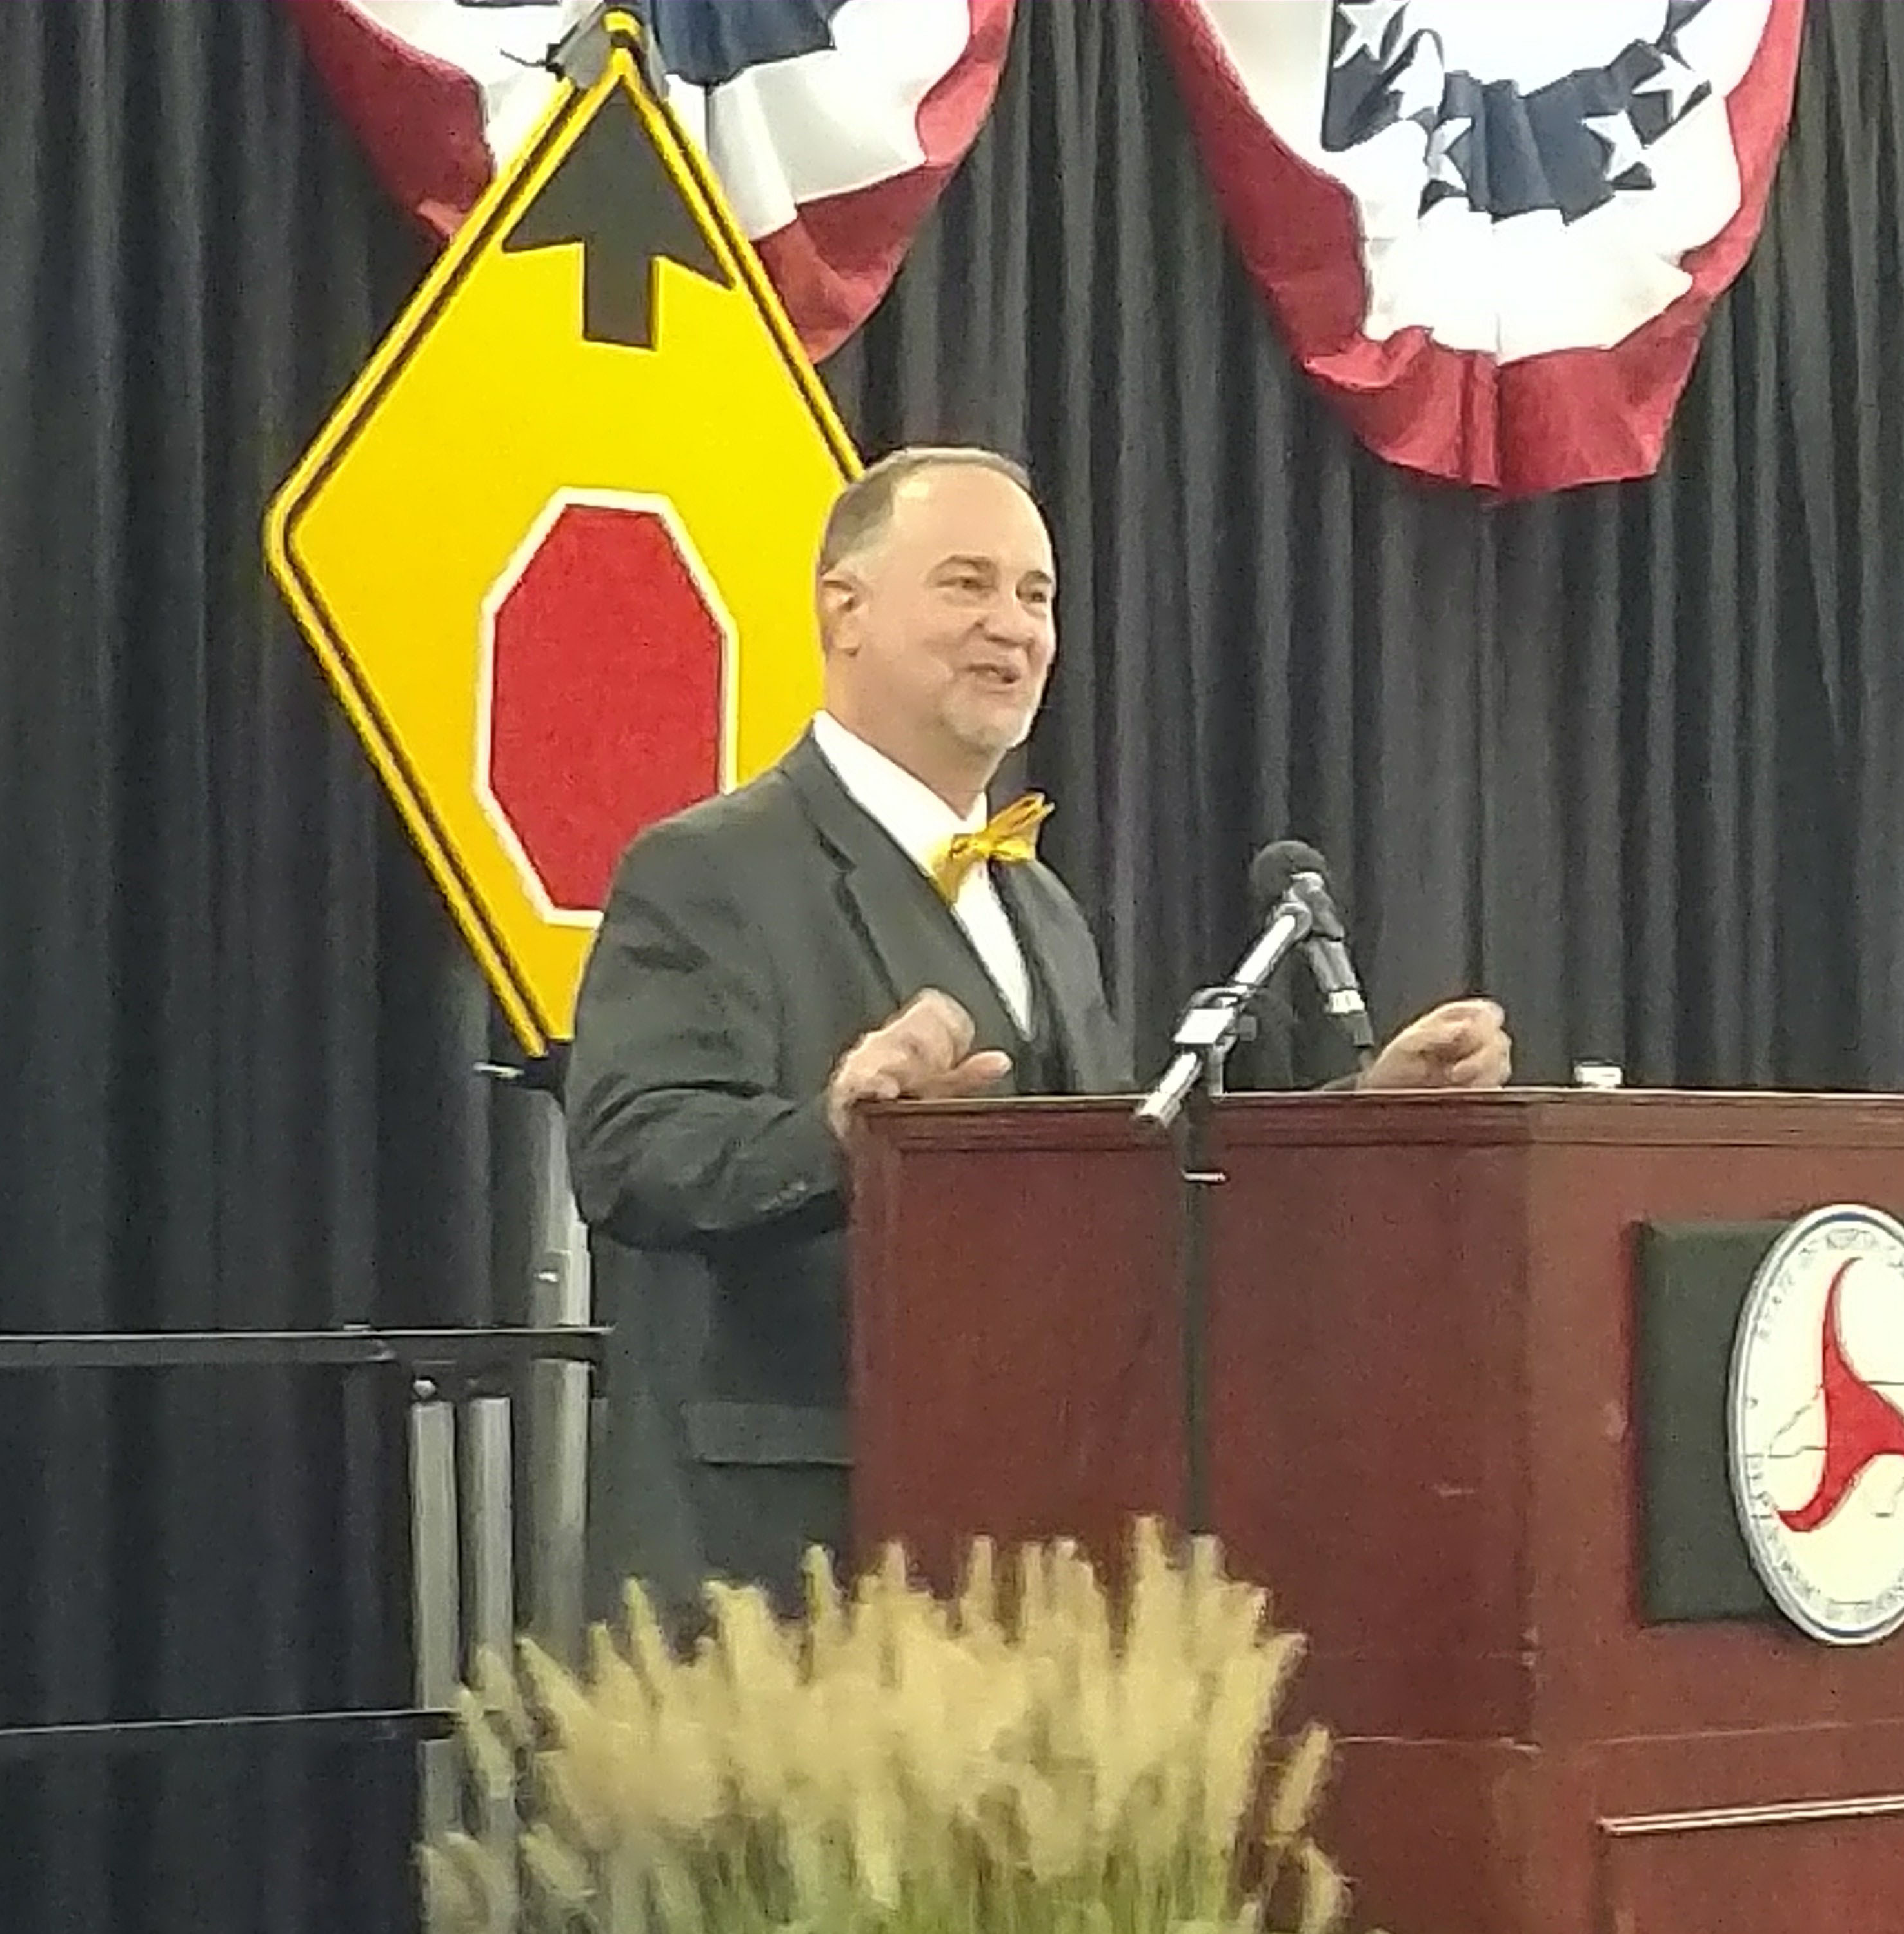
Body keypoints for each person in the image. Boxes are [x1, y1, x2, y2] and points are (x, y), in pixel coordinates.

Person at [562, 445, 1511, 1619]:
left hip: (1027, 1555)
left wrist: (1351, 1128)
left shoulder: (1042, 907)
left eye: (1036, 594)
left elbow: (1113, 1195)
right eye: (965, 584)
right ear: (843, 611)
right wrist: (840, 1133)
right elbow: (629, 1156)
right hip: (796, 1560)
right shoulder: (707, 867)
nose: (1010, 626)